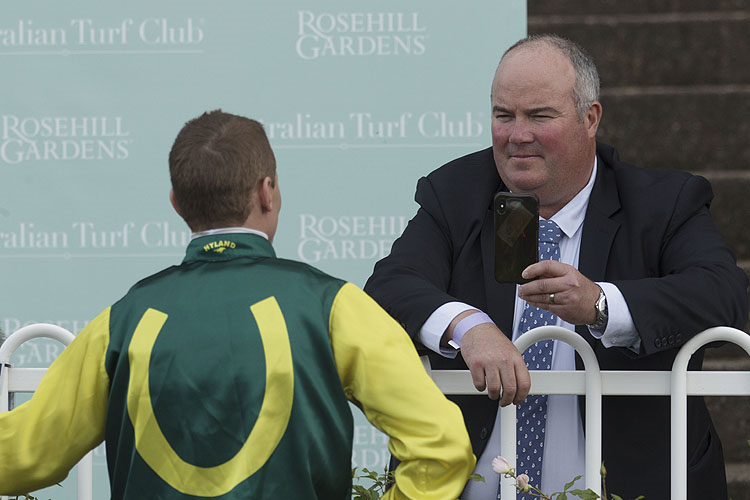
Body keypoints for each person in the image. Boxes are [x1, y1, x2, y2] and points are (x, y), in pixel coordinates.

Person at [0, 110, 475, 499]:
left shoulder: (122, 320)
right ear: (267, 192)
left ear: (176, 202)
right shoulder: (335, 307)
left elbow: (22, 454)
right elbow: (442, 448)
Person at [364, 35, 749, 500]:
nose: (516, 135)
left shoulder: (664, 203)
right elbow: (389, 284)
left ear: (590, 119)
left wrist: (601, 305)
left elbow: (723, 292)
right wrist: (470, 328)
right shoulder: (456, 192)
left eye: (539, 116)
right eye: (503, 115)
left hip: (629, 485)